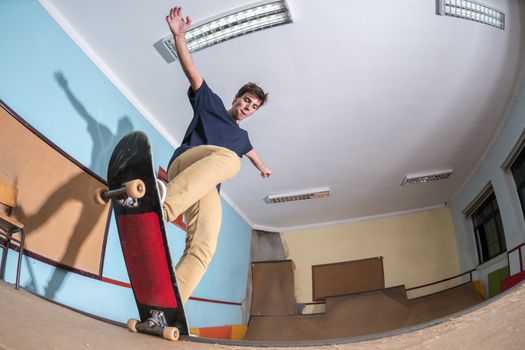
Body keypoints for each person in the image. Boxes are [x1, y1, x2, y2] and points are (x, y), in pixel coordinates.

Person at [163, 6, 272, 304]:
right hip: (185, 164)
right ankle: (163, 210)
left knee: (205, 244)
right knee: (229, 160)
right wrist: (178, 37)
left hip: (205, 186)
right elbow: (191, 71)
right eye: (246, 101)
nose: (247, 108)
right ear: (237, 97)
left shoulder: (242, 137)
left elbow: (251, 152)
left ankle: (170, 304)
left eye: (253, 107)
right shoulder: (210, 104)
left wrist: (263, 168)